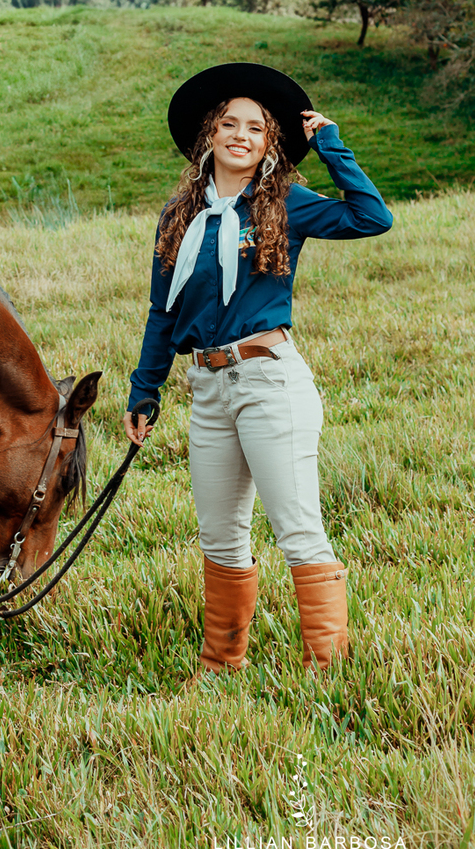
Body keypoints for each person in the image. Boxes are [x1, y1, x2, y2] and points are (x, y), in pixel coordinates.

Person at [124, 62, 392, 675]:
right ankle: (221, 665)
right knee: (219, 535)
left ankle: (327, 672)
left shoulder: (286, 203)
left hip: (269, 380)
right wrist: (145, 391)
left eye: (254, 127)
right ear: (209, 136)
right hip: (207, 387)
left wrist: (331, 145)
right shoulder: (178, 218)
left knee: (296, 529)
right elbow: (161, 312)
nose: (239, 135)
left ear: (270, 141)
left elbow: (372, 217)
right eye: (228, 124)